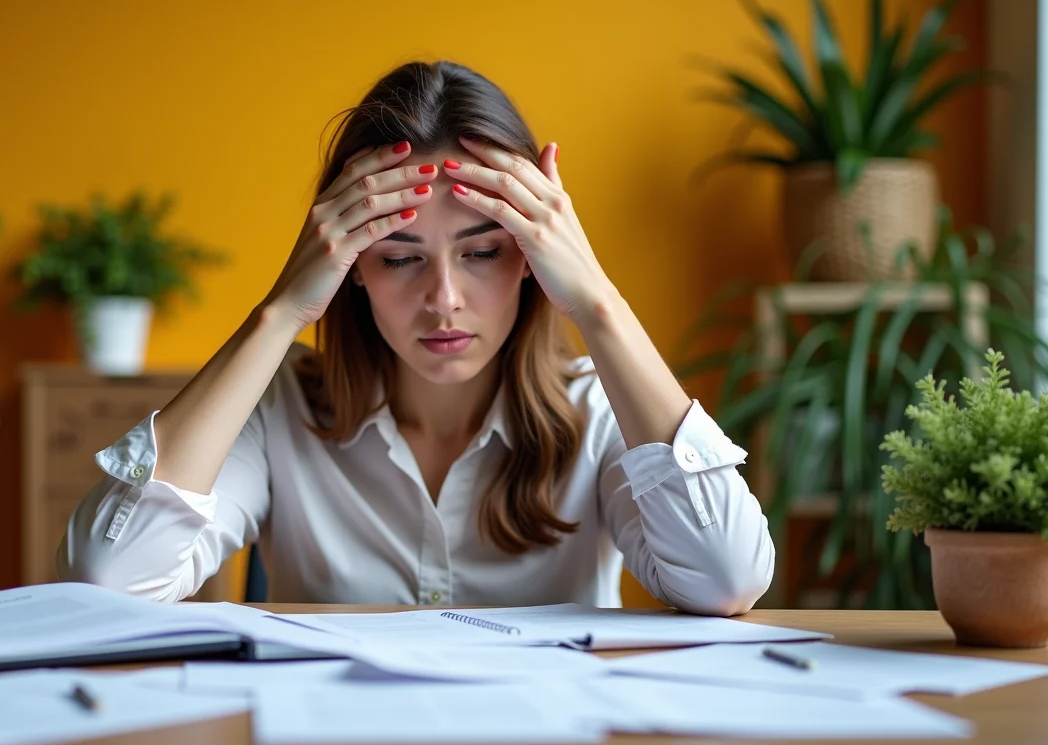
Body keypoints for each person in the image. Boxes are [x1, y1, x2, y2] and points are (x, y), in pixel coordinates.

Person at [56, 60, 774, 615]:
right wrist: (280, 311)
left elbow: (728, 580)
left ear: (533, 256)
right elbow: (106, 582)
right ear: (350, 266)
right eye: (399, 259)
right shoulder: (280, 413)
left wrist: (596, 302)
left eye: (483, 251)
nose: (444, 300)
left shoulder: (598, 413)